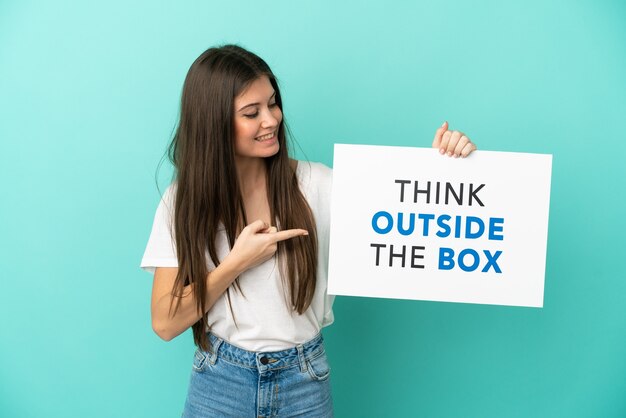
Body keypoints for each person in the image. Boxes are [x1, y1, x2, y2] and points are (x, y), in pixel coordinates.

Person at [140, 44, 477, 417]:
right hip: (219, 383)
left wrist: (445, 166)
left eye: (272, 103)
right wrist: (235, 263)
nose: (272, 119)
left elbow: (410, 213)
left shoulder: (318, 185)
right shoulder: (181, 202)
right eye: (252, 113)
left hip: (303, 381)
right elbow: (165, 322)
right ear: (213, 122)